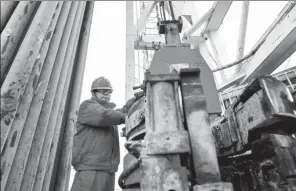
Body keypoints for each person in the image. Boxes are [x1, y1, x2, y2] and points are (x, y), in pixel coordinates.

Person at [70, 77, 137, 191]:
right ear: (93, 92)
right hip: (91, 168)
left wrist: (133, 102)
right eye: (102, 91)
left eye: (108, 91)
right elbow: (105, 116)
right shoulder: (87, 106)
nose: (106, 94)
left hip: (109, 169)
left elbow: (117, 113)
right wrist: (132, 117)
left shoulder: (109, 113)